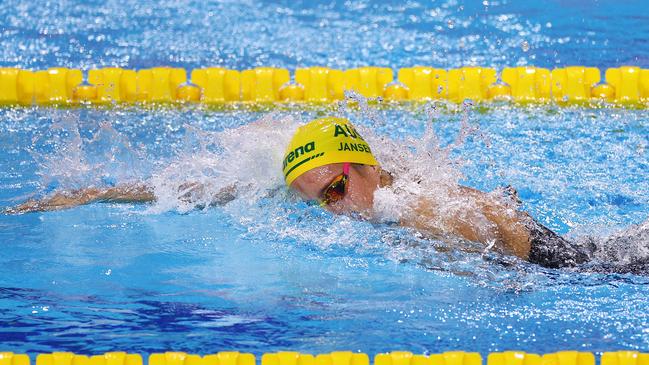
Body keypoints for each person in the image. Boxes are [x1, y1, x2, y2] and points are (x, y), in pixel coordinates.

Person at [5, 116, 643, 271]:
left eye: (336, 188)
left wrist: (479, 259)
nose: (331, 207)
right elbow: (209, 188)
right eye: (315, 199)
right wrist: (91, 194)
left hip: (573, 269)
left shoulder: (412, 200)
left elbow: (495, 227)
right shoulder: (347, 191)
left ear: (363, 169)